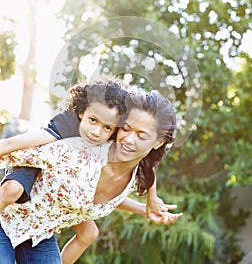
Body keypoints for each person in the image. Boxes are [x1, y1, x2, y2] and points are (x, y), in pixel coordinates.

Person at [0, 89, 181, 264]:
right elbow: (13, 152)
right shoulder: (77, 151)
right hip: (5, 218)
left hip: (38, 236)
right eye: (126, 129)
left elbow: (95, 197)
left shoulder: (136, 177)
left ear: (159, 142)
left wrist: (146, 206)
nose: (129, 139)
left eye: (141, 136)